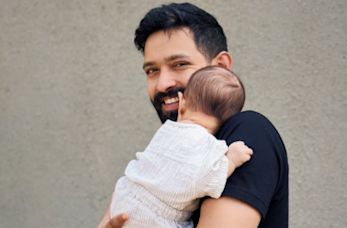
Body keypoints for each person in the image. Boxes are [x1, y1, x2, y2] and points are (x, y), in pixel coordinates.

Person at [98, 2, 288, 228]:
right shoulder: (163, 156)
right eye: (152, 70)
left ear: (220, 66)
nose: (162, 84)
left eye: (179, 64)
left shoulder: (248, 134)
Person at [111, 66, 253, 228]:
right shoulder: (210, 146)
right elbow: (209, 179)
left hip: (125, 196)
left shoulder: (167, 130)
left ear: (182, 103)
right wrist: (232, 160)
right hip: (153, 219)